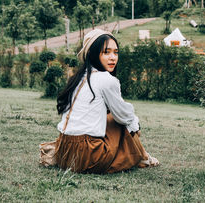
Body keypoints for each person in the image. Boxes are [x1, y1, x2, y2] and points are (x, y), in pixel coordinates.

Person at [55, 29, 159, 173]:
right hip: (88, 155)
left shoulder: (78, 78)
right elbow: (124, 115)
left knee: (113, 117)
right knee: (121, 119)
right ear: (92, 54)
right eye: (106, 52)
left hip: (64, 153)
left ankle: (143, 155)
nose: (113, 58)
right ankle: (143, 156)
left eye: (116, 52)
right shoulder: (105, 79)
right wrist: (136, 126)